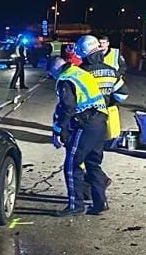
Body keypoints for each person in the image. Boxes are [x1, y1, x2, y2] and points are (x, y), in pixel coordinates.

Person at [50, 38, 113, 216]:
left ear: (54, 70)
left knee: (72, 165)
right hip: (100, 120)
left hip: (85, 123)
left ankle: (75, 205)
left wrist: (59, 131)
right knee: (93, 163)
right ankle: (100, 203)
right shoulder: (79, 73)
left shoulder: (65, 79)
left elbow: (67, 107)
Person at [84, 37, 129, 148]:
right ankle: (107, 139)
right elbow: (123, 94)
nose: (101, 44)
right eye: (100, 43)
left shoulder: (115, 53)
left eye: (103, 42)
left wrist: (117, 75)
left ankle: (108, 138)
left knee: (110, 118)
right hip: (109, 88)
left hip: (109, 89)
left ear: (108, 43)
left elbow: (123, 67)